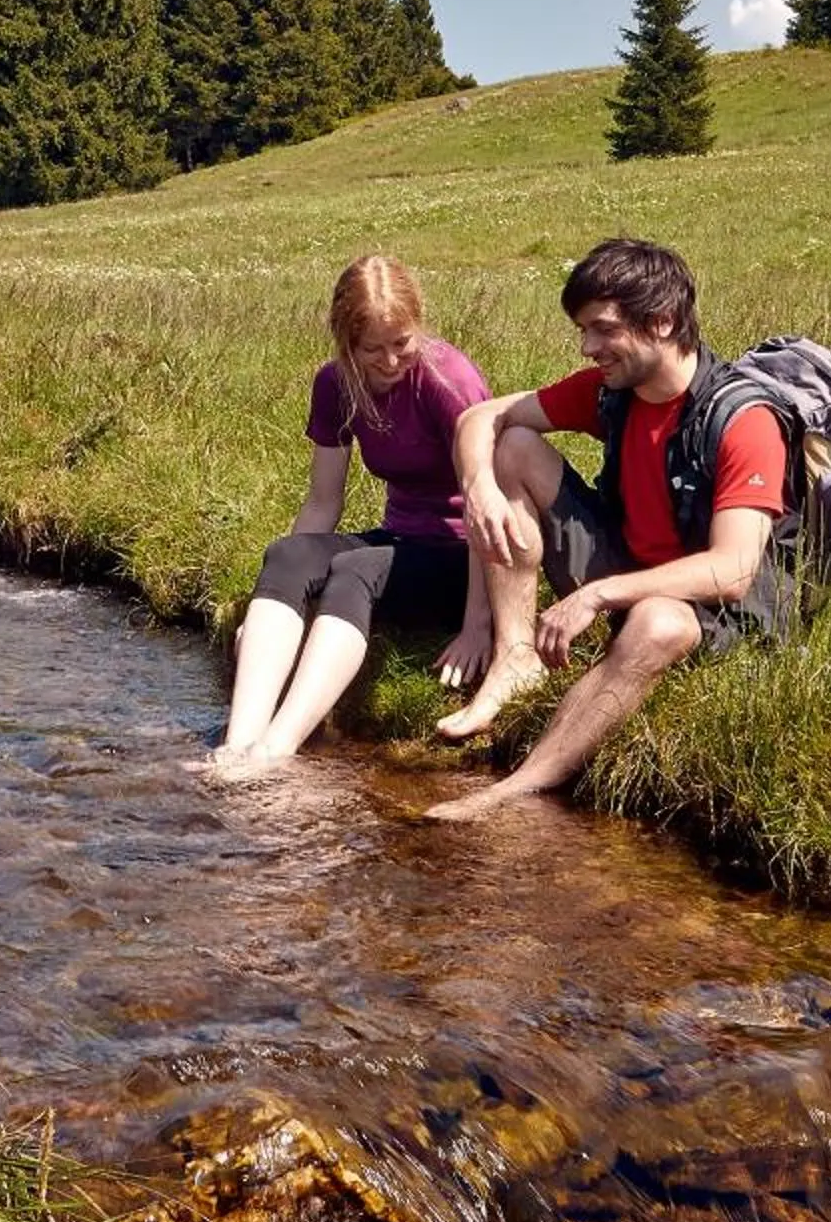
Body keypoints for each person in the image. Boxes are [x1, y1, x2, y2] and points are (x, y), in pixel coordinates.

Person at [426, 238, 788, 821]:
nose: (588, 347)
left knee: (658, 620)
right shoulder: (612, 392)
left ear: (663, 322)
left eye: (603, 330)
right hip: (629, 562)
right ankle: (515, 655)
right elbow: (480, 417)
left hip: (717, 607)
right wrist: (480, 490)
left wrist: (595, 595)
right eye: (583, 330)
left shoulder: (743, 421)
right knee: (513, 446)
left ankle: (519, 788)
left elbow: (733, 568)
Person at [207, 255, 494, 769]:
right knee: (288, 555)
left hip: (461, 554)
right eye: (372, 349)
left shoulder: (446, 382)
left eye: (401, 343)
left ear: (418, 327)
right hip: (402, 539)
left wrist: (477, 625)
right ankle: (237, 744)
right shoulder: (335, 385)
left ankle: (275, 753)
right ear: (346, 343)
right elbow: (323, 502)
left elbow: (486, 511)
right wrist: (283, 602)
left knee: (355, 570)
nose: (389, 362)